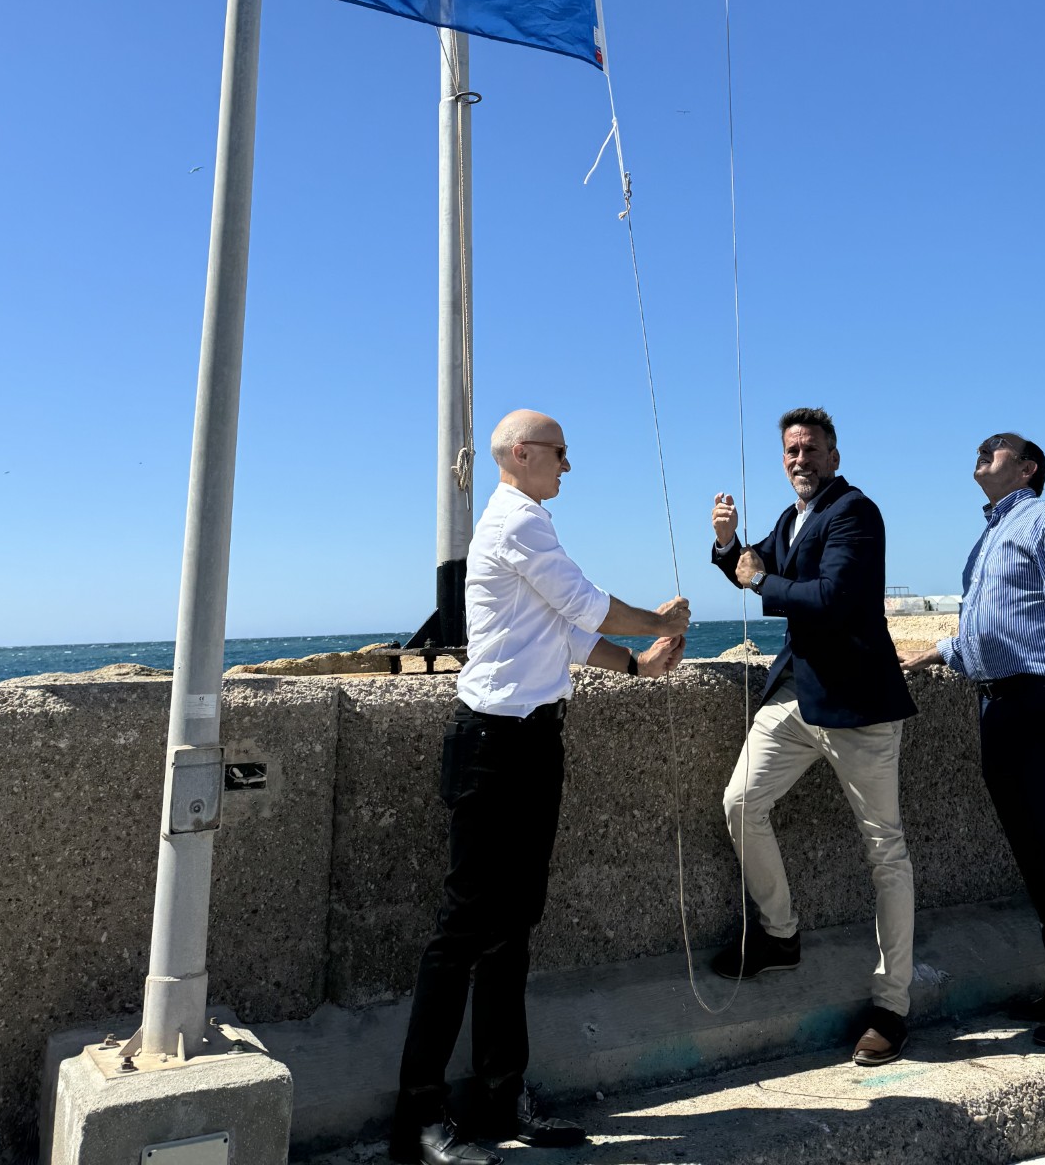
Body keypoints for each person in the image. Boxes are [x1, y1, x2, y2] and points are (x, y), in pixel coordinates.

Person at [391, 409, 689, 1165]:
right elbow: (591, 606)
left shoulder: (529, 524)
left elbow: (564, 632)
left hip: (531, 744)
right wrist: (657, 620)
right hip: (493, 745)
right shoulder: (516, 521)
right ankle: (417, 1118)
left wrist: (637, 665)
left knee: (512, 927)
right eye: (560, 452)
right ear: (522, 454)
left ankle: (499, 1096)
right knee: (462, 931)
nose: (567, 465)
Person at [901, 433, 1045, 1048]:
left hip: (1037, 702)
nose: (980, 453)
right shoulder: (990, 533)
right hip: (998, 703)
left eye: (994, 449)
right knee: (1036, 855)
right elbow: (996, 623)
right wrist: (937, 651)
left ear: (1027, 468)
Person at [709, 406, 917, 1065]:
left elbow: (830, 598)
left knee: (885, 851)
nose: (800, 459)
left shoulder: (855, 512)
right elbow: (753, 567)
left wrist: (760, 578)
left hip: (857, 706)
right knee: (741, 803)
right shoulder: (792, 518)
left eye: (811, 449)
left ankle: (893, 1002)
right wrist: (727, 544)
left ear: (833, 453)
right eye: (791, 451)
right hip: (797, 697)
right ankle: (779, 935)